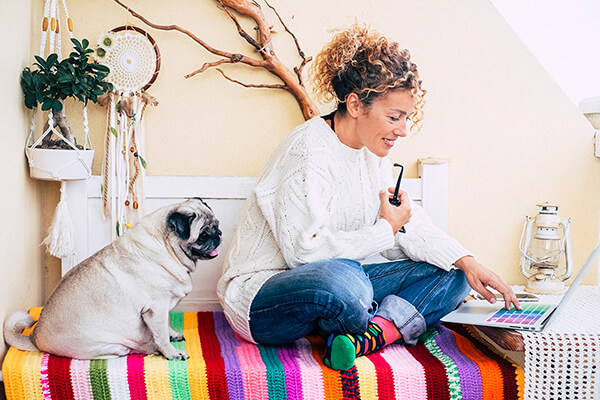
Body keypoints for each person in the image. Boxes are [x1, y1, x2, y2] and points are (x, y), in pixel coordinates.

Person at [217, 23, 520, 371]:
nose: (403, 130)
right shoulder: (307, 153)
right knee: (345, 284)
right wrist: (385, 231)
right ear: (356, 104)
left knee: (452, 276)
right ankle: (378, 318)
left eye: (407, 118)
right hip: (263, 297)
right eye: (394, 117)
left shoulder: (373, 154)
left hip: (345, 279)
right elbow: (304, 255)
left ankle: (369, 335)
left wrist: (467, 261)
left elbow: (403, 224)